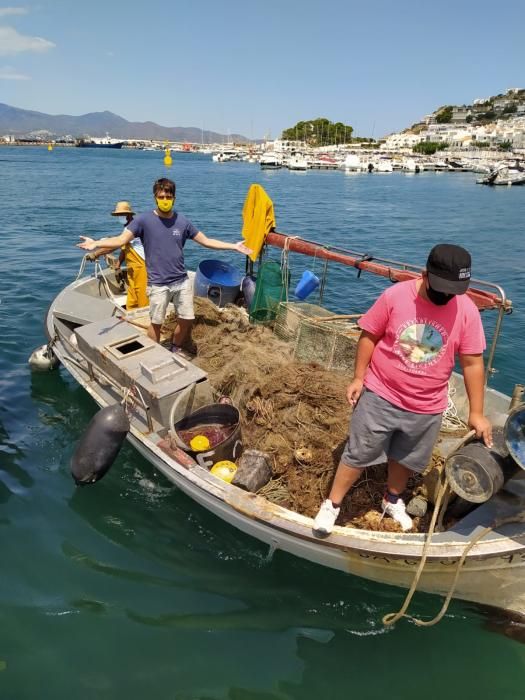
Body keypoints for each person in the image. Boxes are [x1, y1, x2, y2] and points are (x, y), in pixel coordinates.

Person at [313, 243, 493, 536]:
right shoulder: (395, 296)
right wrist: (359, 378)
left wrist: (477, 413)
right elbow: (369, 336)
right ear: (424, 275)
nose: (446, 295)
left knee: (407, 458)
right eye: (441, 287)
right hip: (381, 393)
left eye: (453, 290)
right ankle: (332, 504)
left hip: (427, 405)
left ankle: (392, 499)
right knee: (358, 452)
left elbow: (472, 363)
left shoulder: (467, 311)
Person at [77, 178, 251, 350]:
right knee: (156, 322)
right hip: (158, 284)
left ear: (174, 198)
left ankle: (174, 347)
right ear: (155, 197)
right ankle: (153, 352)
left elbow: (206, 241)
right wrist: (96, 243)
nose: (165, 200)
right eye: (161, 197)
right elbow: (121, 240)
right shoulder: (143, 220)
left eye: (168, 197)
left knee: (187, 318)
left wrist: (233, 246)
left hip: (181, 282)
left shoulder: (183, 222)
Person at [88, 201, 149, 310]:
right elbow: (125, 248)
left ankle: (148, 324)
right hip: (133, 270)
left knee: (143, 301)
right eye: (118, 215)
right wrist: (118, 263)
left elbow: (114, 246)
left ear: (129, 215)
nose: (120, 217)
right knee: (132, 301)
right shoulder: (128, 228)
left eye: (122, 215)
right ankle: (131, 321)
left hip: (142, 269)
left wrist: (96, 253)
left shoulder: (134, 228)